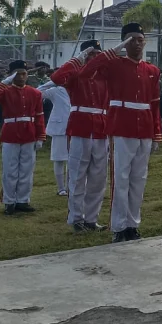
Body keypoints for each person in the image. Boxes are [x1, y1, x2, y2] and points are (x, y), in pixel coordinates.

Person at [78, 24, 162, 242]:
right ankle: (119, 226)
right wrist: (111, 52)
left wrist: (156, 132)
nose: (137, 44)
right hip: (121, 126)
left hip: (143, 126)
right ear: (124, 42)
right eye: (132, 39)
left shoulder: (152, 71)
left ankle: (132, 224)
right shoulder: (114, 64)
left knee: (139, 179)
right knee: (121, 177)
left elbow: (154, 104)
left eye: (140, 39)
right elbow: (86, 72)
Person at [51, 40, 110, 233]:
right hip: (80, 127)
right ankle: (77, 218)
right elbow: (57, 77)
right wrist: (78, 59)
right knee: (77, 176)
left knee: (98, 177)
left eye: (97, 54)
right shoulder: (76, 75)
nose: (95, 58)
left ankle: (92, 219)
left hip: (101, 129)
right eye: (91, 54)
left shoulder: (105, 77)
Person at [0, 61, 46, 216]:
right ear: (11, 74)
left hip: (29, 133)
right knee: (10, 169)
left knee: (27, 169)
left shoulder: (35, 93)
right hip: (11, 133)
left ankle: (23, 200)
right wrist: (3, 83)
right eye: (17, 73)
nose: (21, 77)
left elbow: (39, 116)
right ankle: (9, 201)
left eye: (24, 73)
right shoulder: (5, 91)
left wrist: (40, 136)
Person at [39, 76, 71, 197]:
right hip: (59, 128)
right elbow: (38, 92)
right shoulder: (56, 90)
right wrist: (53, 81)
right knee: (59, 159)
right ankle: (61, 188)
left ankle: (70, 186)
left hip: (76, 128)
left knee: (72, 160)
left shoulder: (79, 89)